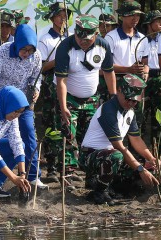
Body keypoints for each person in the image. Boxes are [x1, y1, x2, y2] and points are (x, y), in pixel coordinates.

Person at [55, 14, 116, 187]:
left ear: (96, 34)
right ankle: (67, 173)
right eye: (80, 37)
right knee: (69, 134)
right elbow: (61, 81)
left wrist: (112, 98)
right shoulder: (65, 47)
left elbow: (109, 72)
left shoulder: (103, 45)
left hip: (92, 99)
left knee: (91, 137)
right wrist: (63, 106)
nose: (83, 41)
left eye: (87, 39)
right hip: (69, 99)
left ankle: (90, 172)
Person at [81, 74, 159, 205]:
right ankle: (99, 192)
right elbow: (118, 146)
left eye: (135, 101)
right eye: (128, 99)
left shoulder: (130, 112)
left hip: (110, 155)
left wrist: (151, 159)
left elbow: (136, 139)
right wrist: (140, 169)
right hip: (90, 155)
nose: (131, 103)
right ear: (119, 91)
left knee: (145, 168)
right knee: (119, 157)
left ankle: (112, 187)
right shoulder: (108, 109)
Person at [0, 24, 46, 189]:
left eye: (30, 51)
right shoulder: (2, 52)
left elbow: (36, 78)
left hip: (23, 103)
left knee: (29, 135)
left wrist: (36, 89)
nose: (27, 54)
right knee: (4, 140)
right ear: (17, 43)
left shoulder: (36, 56)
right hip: (3, 102)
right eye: (23, 50)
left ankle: (33, 176)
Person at [38, 2, 72, 183]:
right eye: (59, 15)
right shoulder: (45, 39)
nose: (63, 18)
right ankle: (51, 168)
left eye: (65, 15)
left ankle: (66, 167)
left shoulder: (72, 38)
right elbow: (41, 66)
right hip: (51, 87)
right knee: (52, 126)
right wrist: (59, 57)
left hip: (69, 86)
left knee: (68, 126)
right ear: (52, 18)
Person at [105, 1, 149, 133]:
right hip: (118, 81)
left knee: (136, 120)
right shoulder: (111, 37)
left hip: (137, 82)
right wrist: (127, 69)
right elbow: (106, 66)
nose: (135, 19)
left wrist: (145, 73)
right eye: (131, 15)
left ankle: (135, 152)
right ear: (122, 16)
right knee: (117, 118)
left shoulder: (142, 38)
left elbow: (146, 63)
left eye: (137, 15)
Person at [142, 10, 161, 145]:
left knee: (159, 115)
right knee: (142, 114)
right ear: (149, 23)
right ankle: (139, 148)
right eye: (157, 21)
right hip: (145, 79)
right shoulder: (141, 39)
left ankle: (157, 147)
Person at [97, 13, 118, 104]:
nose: (103, 28)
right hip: (99, 82)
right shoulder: (95, 42)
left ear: (113, 27)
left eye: (107, 26)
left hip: (114, 80)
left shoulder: (117, 41)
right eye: (100, 25)